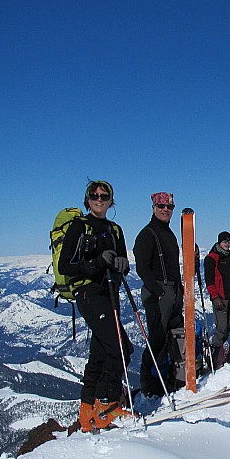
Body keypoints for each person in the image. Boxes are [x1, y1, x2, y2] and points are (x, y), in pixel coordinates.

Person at [57, 180, 133, 431]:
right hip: (88, 292)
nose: (99, 199)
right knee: (121, 348)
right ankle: (107, 405)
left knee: (100, 351)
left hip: (110, 292)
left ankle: (87, 408)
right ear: (87, 200)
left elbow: (123, 261)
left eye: (104, 196)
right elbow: (64, 266)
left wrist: (121, 264)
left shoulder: (115, 230)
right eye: (94, 195)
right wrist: (97, 263)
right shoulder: (80, 227)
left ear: (111, 201)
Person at [133, 192, 183, 397]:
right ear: (153, 208)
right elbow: (142, 267)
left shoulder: (168, 233)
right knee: (157, 338)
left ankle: (171, 378)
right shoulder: (148, 234)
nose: (165, 210)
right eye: (161, 206)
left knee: (174, 334)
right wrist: (158, 290)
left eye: (169, 207)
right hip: (160, 293)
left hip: (173, 289)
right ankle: (151, 385)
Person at [203, 231, 230, 369]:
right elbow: (209, 279)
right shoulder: (211, 258)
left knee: (229, 327)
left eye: (229, 242)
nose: (227, 244)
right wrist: (215, 296)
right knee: (221, 328)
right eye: (225, 241)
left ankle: (223, 355)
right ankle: (214, 358)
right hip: (220, 298)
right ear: (219, 242)